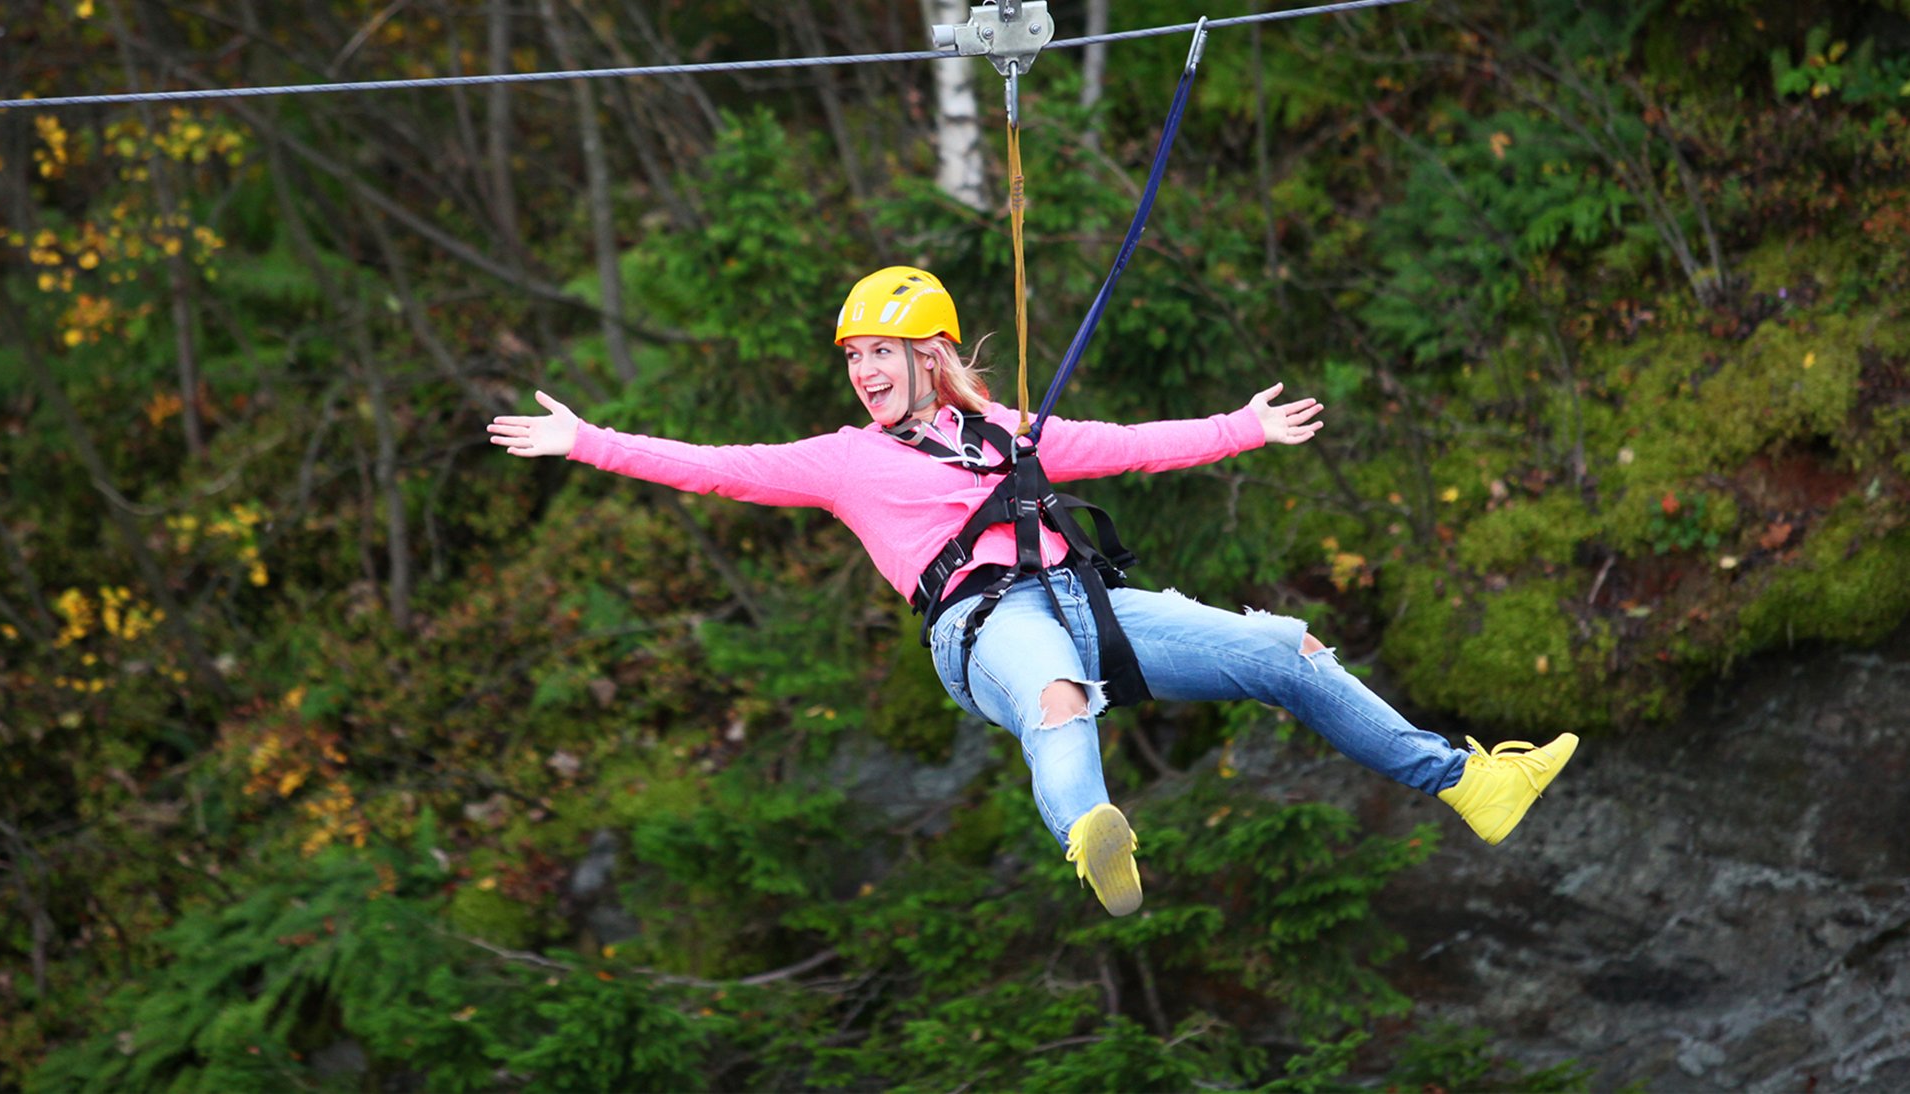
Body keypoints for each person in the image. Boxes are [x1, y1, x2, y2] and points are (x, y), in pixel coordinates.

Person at [488, 266, 1577, 917]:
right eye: (854, 355)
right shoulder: (842, 459)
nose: (864, 371)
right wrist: (587, 441)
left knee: (1283, 647)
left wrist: (1242, 428)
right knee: (1057, 696)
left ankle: (1464, 780)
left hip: (1085, 604)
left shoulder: (1012, 431)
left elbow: (1129, 444)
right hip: (984, 628)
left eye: (883, 351)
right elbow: (719, 463)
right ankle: (1095, 832)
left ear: (934, 355)